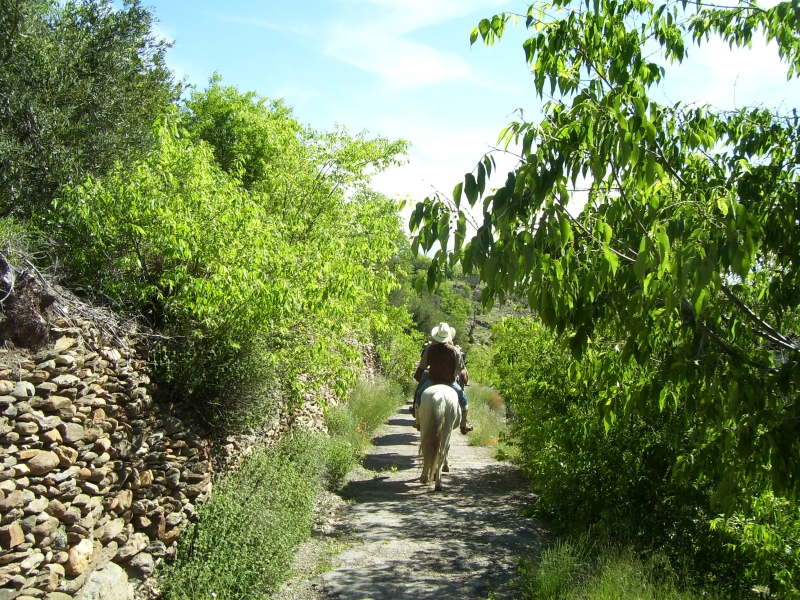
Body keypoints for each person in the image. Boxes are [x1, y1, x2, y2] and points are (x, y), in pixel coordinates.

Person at [412, 322, 473, 434]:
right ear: (448, 336)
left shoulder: (430, 349)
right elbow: (460, 369)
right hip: (450, 382)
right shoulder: (455, 350)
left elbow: (423, 366)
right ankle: (463, 424)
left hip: (432, 381)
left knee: (419, 394)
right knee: (463, 397)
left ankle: (418, 421)